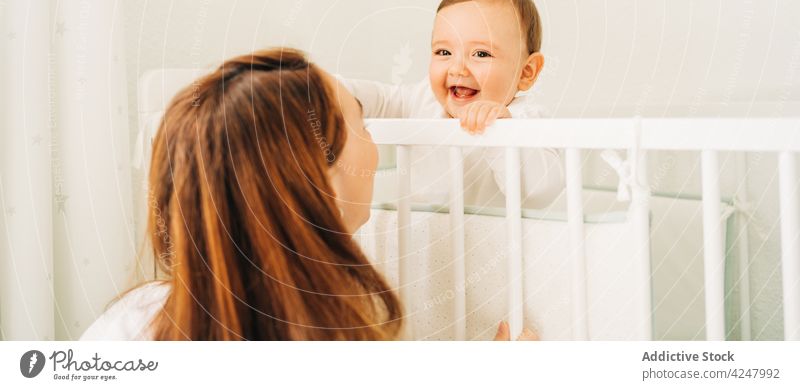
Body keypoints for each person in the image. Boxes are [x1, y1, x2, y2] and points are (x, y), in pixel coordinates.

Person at [80, 47, 535, 340]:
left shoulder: (136, 316)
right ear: (322, 181)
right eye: (360, 123)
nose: (375, 144)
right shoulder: (327, 334)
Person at [341, 0, 564, 210]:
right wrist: (321, 86)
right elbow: (376, 98)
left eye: (481, 54)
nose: (458, 68)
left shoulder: (527, 120)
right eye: (444, 51)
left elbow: (537, 193)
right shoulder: (420, 101)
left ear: (526, 72)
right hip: (423, 242)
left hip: (502, 244)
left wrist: (500, 132)